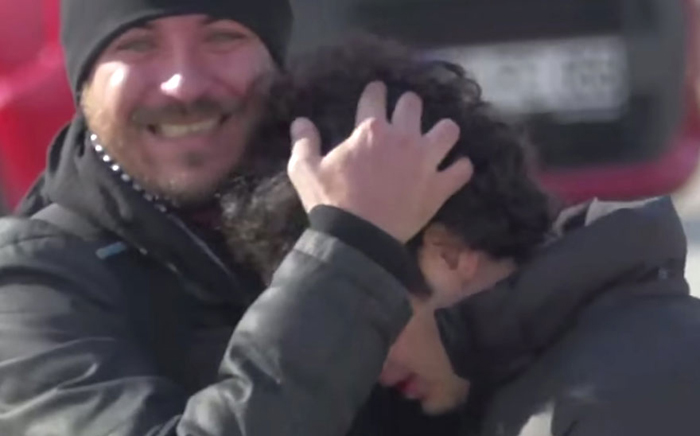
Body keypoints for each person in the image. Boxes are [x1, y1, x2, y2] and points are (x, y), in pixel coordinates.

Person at [0, 1, 473, 435]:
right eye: (137, 44)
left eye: (222, 37)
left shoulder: (386, 195)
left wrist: (457, 350)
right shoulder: (32, 280)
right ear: (84, 80)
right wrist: (353, 253)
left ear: (275, 61)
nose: (184, 84)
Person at [221, 36, 700, 436]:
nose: (361, 363)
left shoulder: (619, 398)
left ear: (446, 252)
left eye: (358, 303)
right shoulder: (566, 372)